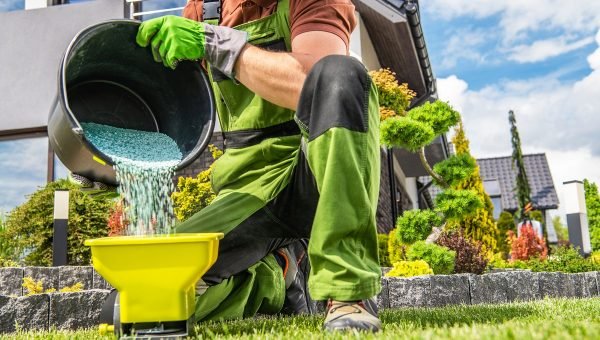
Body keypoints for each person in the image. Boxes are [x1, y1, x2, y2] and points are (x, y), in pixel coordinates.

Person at [135, 0, 382, 332]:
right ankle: (276, 277)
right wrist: (105, 164)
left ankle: (348, 294)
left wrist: (219, 46)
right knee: (146, 296)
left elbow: (314, 82)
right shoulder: (203, 10)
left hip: (318, 173)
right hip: (249, 186)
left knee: (341, 74)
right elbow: (168, 107)